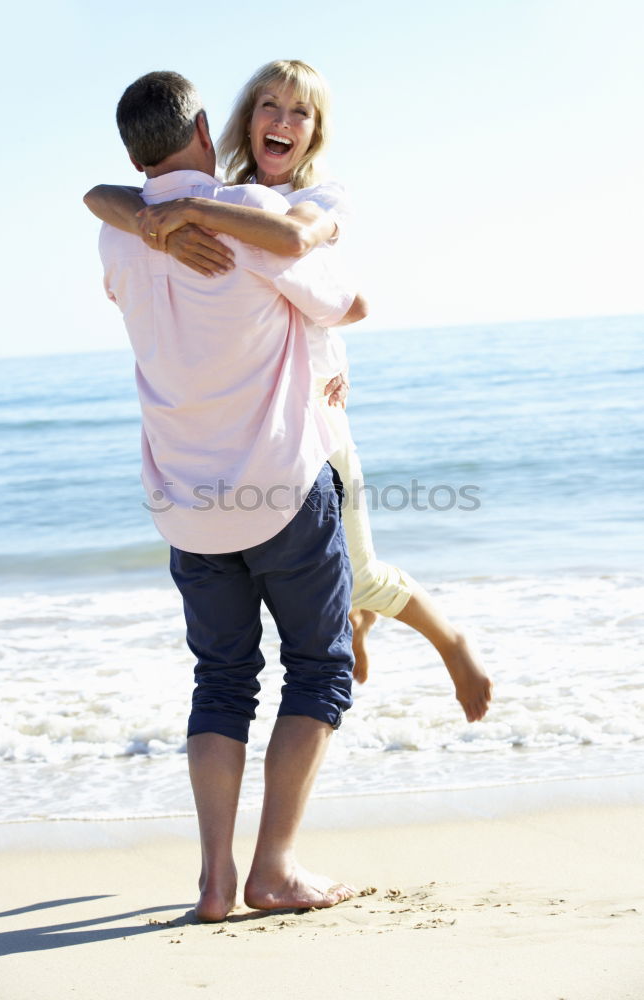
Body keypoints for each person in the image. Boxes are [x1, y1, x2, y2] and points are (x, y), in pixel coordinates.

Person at [85, 60, 492, 723]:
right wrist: (150, 217)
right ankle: (354, 626)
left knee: (357, 573)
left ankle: (452, 642)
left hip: (319, 420)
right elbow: (101, 194)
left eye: (300, 112)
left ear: (315, 132)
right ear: (238, 121)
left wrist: (182, 213)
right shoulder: (231, 197)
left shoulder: (319, 198)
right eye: (269, 105)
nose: (282, 120)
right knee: (320, 583)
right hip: (269, 425)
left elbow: (316, 262)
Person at [94, 70, 370, 922]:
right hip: (281, 488)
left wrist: (160, 218)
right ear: (212, 124)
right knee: (319, 668)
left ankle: (215, 881)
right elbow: (347, 300)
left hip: (186, 501)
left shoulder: (121, 237)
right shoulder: (253, 226)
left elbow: (106, 202)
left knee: (220, 680)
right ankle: (274, 868)